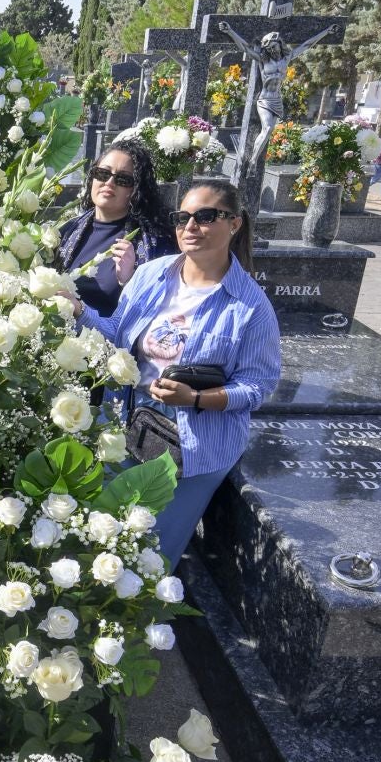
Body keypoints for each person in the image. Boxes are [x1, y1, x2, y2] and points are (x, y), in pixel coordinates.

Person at [78, 179, 282, 563]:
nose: (191, 226)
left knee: (152, 553)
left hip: (190, 446)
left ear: (234, 223)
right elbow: (117, 335)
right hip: (123, 425)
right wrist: (78, 310)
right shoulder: (151, 275)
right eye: (182, 217)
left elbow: (258, 387)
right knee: (101, 542)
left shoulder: (250, 307)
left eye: (206, 217)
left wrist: (196, 398)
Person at [57, 138, 177, 317]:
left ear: (136, 189)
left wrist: (128, 280)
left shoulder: (154, 243)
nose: (109, 183)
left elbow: (160, 310)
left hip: (110, 340)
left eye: (123, 179)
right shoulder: (68, 230)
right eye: (103, 174)